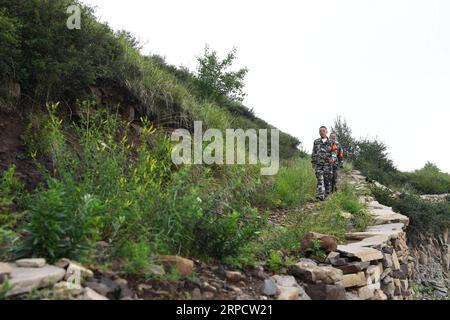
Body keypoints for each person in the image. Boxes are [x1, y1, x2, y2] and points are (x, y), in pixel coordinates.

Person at [311, 126, 336, 201]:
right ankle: (320, 196)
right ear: (319, 132)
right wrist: (313, 162)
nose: (322, 132)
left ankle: (327, 194)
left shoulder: (331, 142)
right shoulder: (316, 141)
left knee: (327, 180)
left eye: (323, 131)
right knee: (320, 179)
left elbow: (334, 152)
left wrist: (333, 158)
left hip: (328, 165)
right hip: (318, 165)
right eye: (320, 131)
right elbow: (314, 152)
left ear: (326, 132)